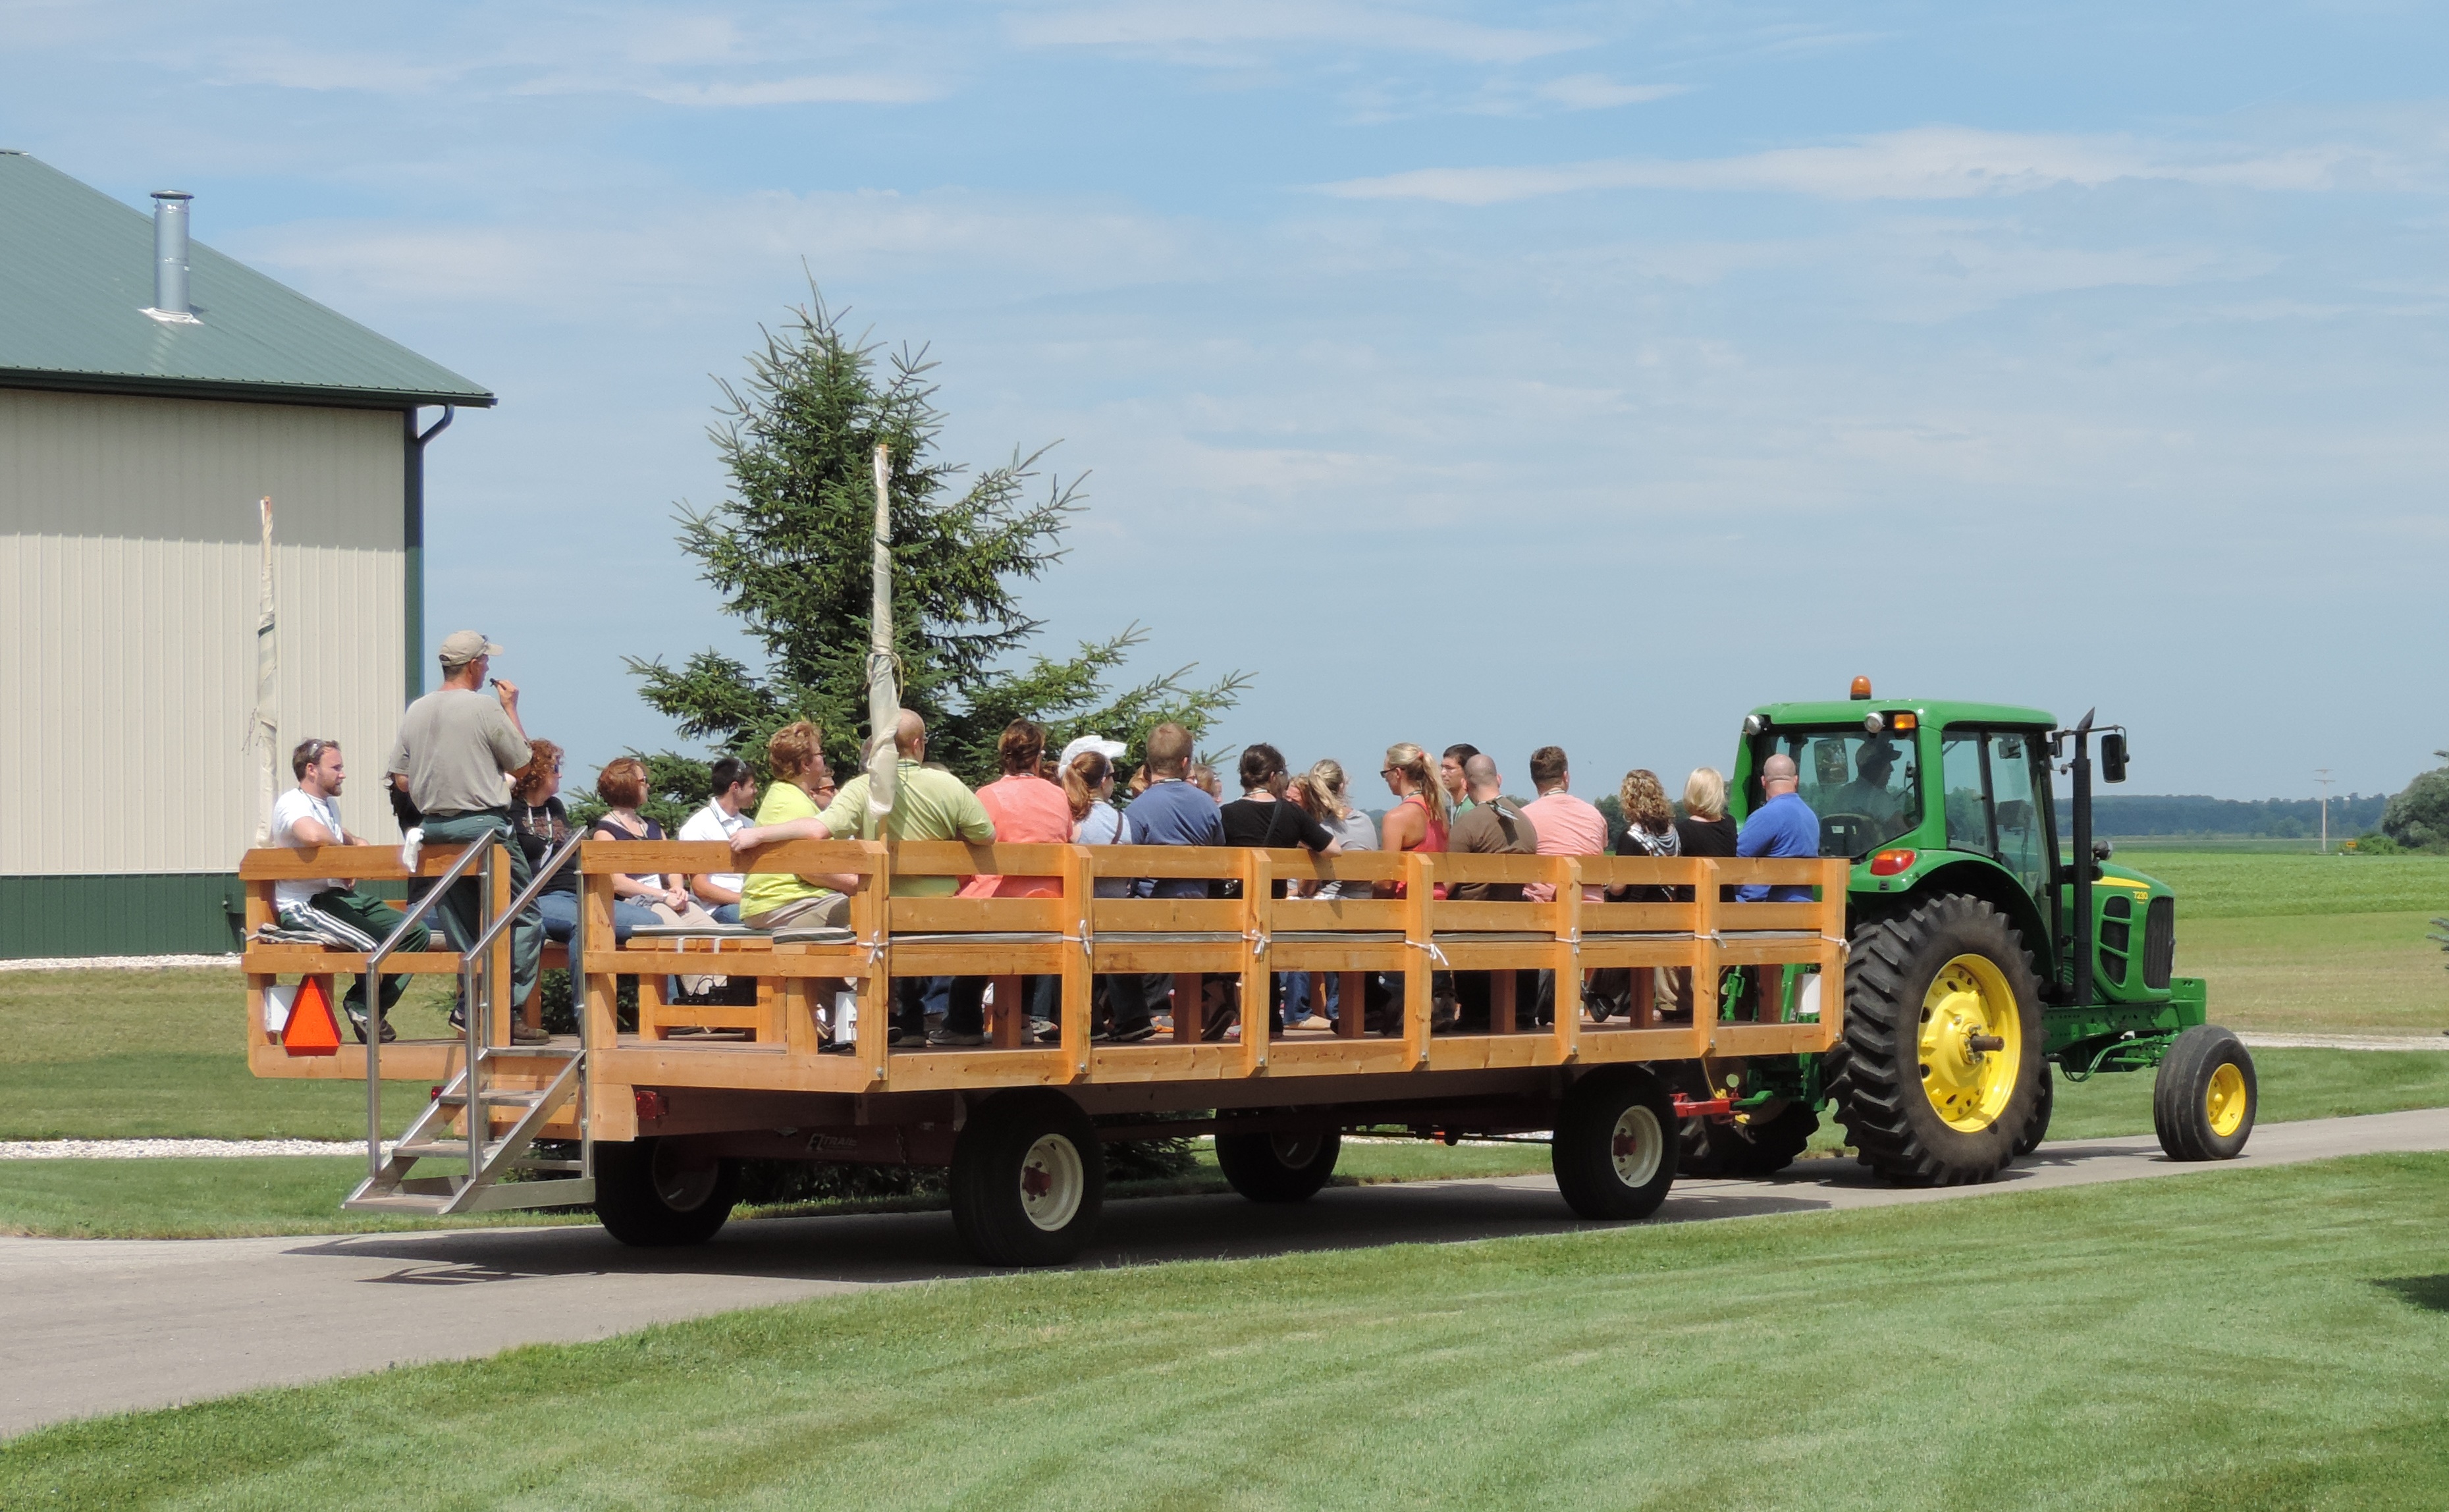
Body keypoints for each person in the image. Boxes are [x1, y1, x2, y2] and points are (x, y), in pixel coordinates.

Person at [732, 709, 996, 1046]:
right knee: (899, 924)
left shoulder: (864, 788)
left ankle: (898, 1025)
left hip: (882, 912)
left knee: (865, 921)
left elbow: (818, 829)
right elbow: (986, 835)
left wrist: (758, 834)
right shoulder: (948, 785)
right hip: (939, 912)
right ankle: (942, 1023)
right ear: (918, 744)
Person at [385, 630, 547, 1044]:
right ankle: (502, 1009)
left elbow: (402, 781)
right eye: (486, 662)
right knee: (525, 917)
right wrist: (510, 708)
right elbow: (525, 764)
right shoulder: (483, 709)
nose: (488, 668)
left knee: (463, 923)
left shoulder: (416, 711)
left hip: (435, 831)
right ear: (474, 665)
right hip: (482, 826)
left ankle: (471, 1005)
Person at [268, 738, 426, 1044]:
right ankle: (362, 1006)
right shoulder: (292, 802)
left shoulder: (328, 805)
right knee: (371, 945)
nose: (342, 774)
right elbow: (311, 833)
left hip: (338, 897)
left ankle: (366, 1006)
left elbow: (333, 832)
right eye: (336, 768)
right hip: (305, 904)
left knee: (414, 933)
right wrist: (345, 857)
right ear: (311, 770)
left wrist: (355, 844)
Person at [955, 720, 1071, 1042]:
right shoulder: (1058, 797)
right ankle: (1021, 1021)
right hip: (1050, 906)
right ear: (1037, 758)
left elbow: (969, 857)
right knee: (1029, 928)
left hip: (997, 907)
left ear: (1005, 756)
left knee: (970, 916)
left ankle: (962, 1023)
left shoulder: (988, 795)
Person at [1218, 743, 1341, 1033]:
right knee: (1267, 955)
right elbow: (1333, 849)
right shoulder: (1290, 813)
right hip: (1272, 910)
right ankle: (1271, 1022)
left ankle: (1238, 1017)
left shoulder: (1227, 813)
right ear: (1273, 777)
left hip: (1233, 909)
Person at [1062, 736, 1154, 1042]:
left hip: (1078, 911)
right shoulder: (1122, 820)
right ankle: (1134, 1016)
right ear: (1103, 782)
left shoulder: (1072, 818)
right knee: (1115, 938)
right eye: (1113, 775)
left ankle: (1088, 1023)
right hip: (1115, 910)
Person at [735, 722, 861, 932]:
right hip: (783, 905)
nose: (823, 758)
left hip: (783, 903)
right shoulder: (792, 802)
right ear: (805, 764)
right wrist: (858, 884)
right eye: (820, 753)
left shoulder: (785, 794)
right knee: (870, 909)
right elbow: (812, 870)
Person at [1445, 755, 1538, 1033]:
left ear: (1466, 783)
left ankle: (1475, 1013)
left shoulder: (1469, 824)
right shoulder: (1526, 823)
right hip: (1518, 920)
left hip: (1474, 923)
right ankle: (1521, 1012)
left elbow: (1447, 883)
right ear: (1498, 779)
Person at [1287, 758, 1376, 1028]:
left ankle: (1296, 1011)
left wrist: (1295, 890)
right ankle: (1337, 1007)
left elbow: (1306, 887)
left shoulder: (1322, 831)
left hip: (1339, 912)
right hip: (1369, 908)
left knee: (1291, 917)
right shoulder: (1366, 820)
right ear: (1343, 785)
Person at [507, 740, 579, 946]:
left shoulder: (555, 807)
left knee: (652, 922)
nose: (561, 775)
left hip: (577, 891)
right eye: (555, 768)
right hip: (541, 895)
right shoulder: (512, 810)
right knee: (589, 924)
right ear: (537, 772)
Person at [1521, 745, 1610, 905]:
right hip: (1592, 915)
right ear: (1566, 777)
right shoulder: (1594, 815)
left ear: (1534, 779)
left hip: (1544, 914)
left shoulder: (1523, 818)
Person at [679, 757, 758, 924]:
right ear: (735, 787)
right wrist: (745, 900)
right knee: (754, 920)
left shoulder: (750, 825)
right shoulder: (698, 826)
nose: (756, 791)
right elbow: (701, 888)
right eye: (752, 786)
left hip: (751, 903)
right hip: (718, 909)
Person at [1737, 752, 1820, 902]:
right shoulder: (1810, 816)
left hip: (1769, 908)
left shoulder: (1766, 816)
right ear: (1796, 780)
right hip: (1805, 904)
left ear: (1763, 781)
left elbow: (1735, 859)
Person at [1827, 737, 1906, 833]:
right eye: (1887, 763)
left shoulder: (1844, 793)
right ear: (1875, 766)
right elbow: (1903, 829)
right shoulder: (1879, 798)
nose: (1891, 769)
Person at [1440, 743, 1482, 816]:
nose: (1442, 773)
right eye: (1442, 768)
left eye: (1449, 768)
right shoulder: (1458, 807)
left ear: (1468, 771)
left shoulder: (1470, 809)